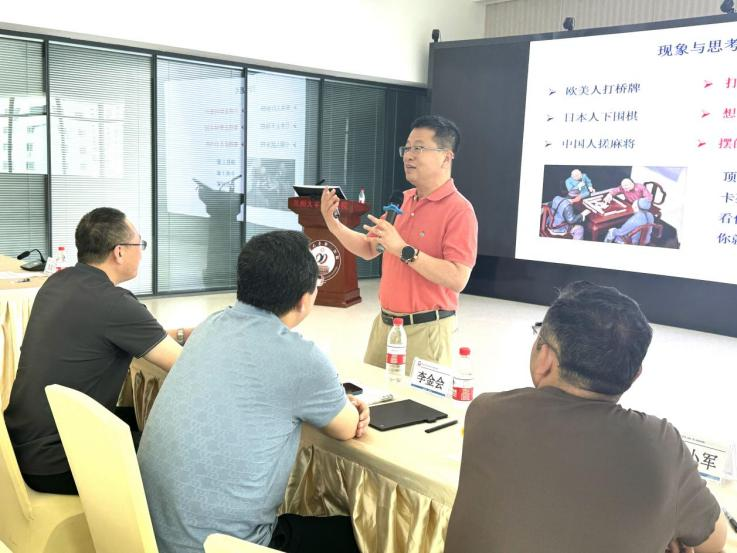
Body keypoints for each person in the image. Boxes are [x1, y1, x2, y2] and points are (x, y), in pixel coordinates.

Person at [444, 281, 727, 553]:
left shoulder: (487, 412)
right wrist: (664, 530)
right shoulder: (661, 444)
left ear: (545, 358)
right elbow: (715, 541)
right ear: (634, 375)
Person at [137, 230, 369, 553]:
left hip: (149, 533)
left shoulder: (211, 325)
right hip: (223, 546)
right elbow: (346, 427)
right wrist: (353, 406)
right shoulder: (301, 358)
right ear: (305, 299)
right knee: (360, 534)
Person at [4, 207, 185, 495]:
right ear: (119, 252)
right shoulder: (114, 303)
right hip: (59, 462)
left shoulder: (57, 282)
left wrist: (179, 333)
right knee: (178, 456)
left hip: (20, 445)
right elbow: (184, 365)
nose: (142, 253)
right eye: (140, 244)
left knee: (131, 418)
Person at [320, 115, 478, 372]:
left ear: (446, 157)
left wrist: (403, 250)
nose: (408, 156)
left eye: (419, 148)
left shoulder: (459, 210)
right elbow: (369, 248)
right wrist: (333, 224)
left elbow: (458, 278)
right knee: (372, 393)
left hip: (427, 330)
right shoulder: (402, 199)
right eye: (407, 148)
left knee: (417, 400)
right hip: (385, 325)